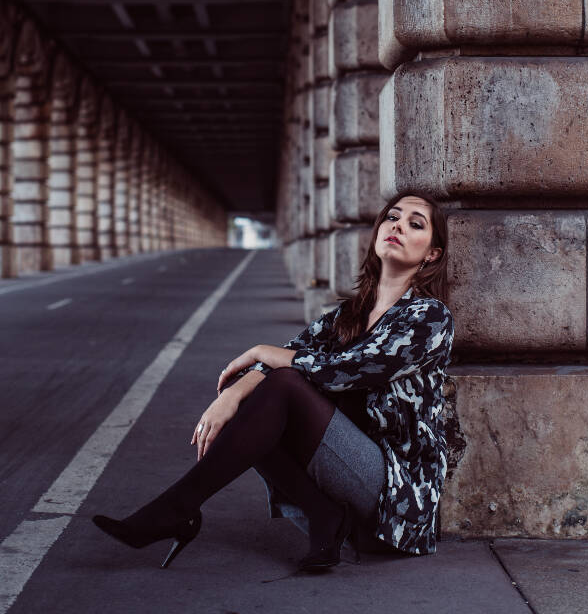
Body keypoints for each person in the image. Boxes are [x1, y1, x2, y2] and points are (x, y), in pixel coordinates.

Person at [92, 190, 455, 572]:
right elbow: (294, 355)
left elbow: (347, 369)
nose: (397, 225)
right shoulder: (349, 314)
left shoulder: (429, 318)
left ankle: (178, 508)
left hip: (395, 493)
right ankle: (322, 516)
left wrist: (262, 352)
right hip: (349, 467)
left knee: (284, 384)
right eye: (392, 217)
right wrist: (232, 395)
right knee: (261, 394)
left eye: (415, 224)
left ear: (431, 253)